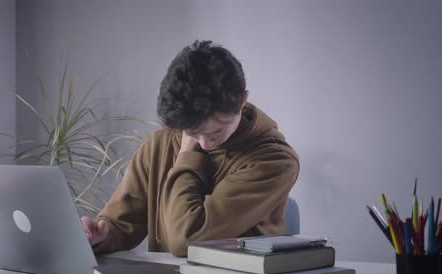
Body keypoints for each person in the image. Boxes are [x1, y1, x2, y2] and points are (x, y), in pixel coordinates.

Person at [81, 40, 299, 257]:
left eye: (216, 132)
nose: (203, 144)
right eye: (192, 133)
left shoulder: (275, 161)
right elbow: (121, 223)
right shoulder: (160, 143)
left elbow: (187, 240)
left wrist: (187, 156)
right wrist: (102, 235)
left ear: (243, 100)